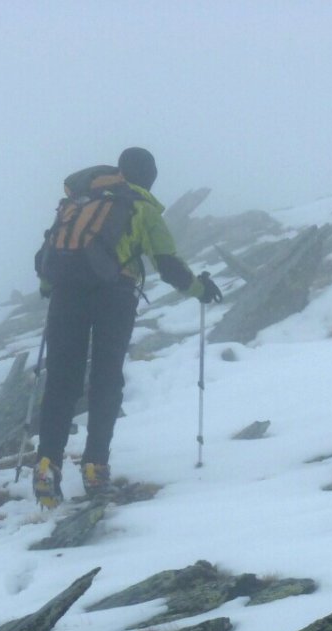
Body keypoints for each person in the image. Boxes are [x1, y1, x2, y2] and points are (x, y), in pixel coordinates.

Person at [31, 146, 223, 507]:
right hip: (113, 297)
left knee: (61, 380)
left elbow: (48, 260)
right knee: (106, 379)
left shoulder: (79, 203)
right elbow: (167, 265)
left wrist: (49, 290)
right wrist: (200, 289)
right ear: (149, 177)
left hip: (66, 297)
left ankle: (46, 462)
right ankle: (95, 467)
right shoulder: (142, 207)